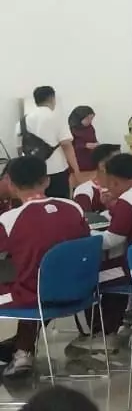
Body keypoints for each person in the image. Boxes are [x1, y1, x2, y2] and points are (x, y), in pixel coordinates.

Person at [70, 153, 132, 355]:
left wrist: (86, 235)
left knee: (88, 277)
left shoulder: (128, 199)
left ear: (114, 181)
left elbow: (112, 239)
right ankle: (114, 327)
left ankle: (103, 334)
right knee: (108, 270)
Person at [0, 156, 90, 377]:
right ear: (47, 180)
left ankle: (22, 352)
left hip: (37, 296)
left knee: (25, 282)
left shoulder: (9, 219)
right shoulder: (74, 207)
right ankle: (21, 349)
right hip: (81, 290)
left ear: (10, 183)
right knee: (33, 276)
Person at [14, 87, 79, 200]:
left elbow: (19, 149)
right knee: (59, 203)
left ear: (36, 100)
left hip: (32, 172)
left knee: (35, 203)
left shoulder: (22, 122)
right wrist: (76, 170)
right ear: (52, 98)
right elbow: (66, 145)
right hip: (56, 170)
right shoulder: (57, 118)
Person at [73, 144, 119, 214]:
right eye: (118, 161)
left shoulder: (127, 186)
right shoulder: (84, 191)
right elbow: (86, 219)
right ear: (102, 166)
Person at [68, 106, 98, 185]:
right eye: (87, 119)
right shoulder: (70, 130)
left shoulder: (90, 127)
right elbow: (69, 146)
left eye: (91, 119)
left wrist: (96, 144)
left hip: (90, 159)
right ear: (79, 118)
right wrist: (84, 145)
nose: (90, 121)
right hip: (77, 161)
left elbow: (93, 139)